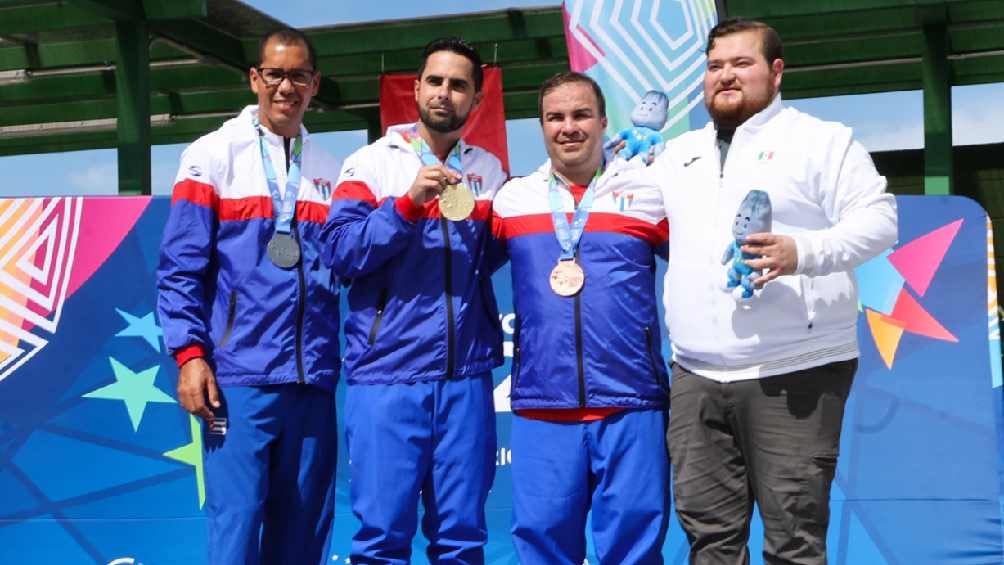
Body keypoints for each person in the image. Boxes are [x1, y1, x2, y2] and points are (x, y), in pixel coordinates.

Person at [650, 18, 898, 564]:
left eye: (742, 63)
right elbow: (615, 208)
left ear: (776, 71)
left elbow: (880, 221)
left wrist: (801, 252)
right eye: (715, 66)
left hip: (797, 368)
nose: (726, 76)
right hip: (695, 373)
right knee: (709, 540)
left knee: (793, 541)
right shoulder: (676, 155)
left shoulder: (822, 141)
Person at [156, 28, 341, 565]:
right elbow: (179, 267)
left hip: (312, 382)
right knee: (236, 528)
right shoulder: (212, 155)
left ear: (314, 84)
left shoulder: (329, 168)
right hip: (238, 379)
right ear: (255, 78)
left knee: (304, 534)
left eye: (299, 76)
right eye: (276, 74)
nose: (287, 87)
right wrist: (190, 356)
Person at [322, 37, 506, 564]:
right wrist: (405, 207)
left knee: (463, 540)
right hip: (387, 375)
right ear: (416, 88)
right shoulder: (370, 164)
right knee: (382, 540)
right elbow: (340, 254)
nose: (444, 93)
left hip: (465, 378)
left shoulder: (489, 171)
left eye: (458, 85)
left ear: (475, 98)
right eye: (435, 81)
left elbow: (492, 255)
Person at [492, 72, 671, 564]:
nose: (568, 127)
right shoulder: (513, 199)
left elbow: (701, 266)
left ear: (603, 121)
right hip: (542, 405)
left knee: (634, 551)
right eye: (555, 117)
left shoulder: (649, 190)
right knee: (542, 547)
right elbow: (455, 271)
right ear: (542, 126)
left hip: (630, 402)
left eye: (580, 115)